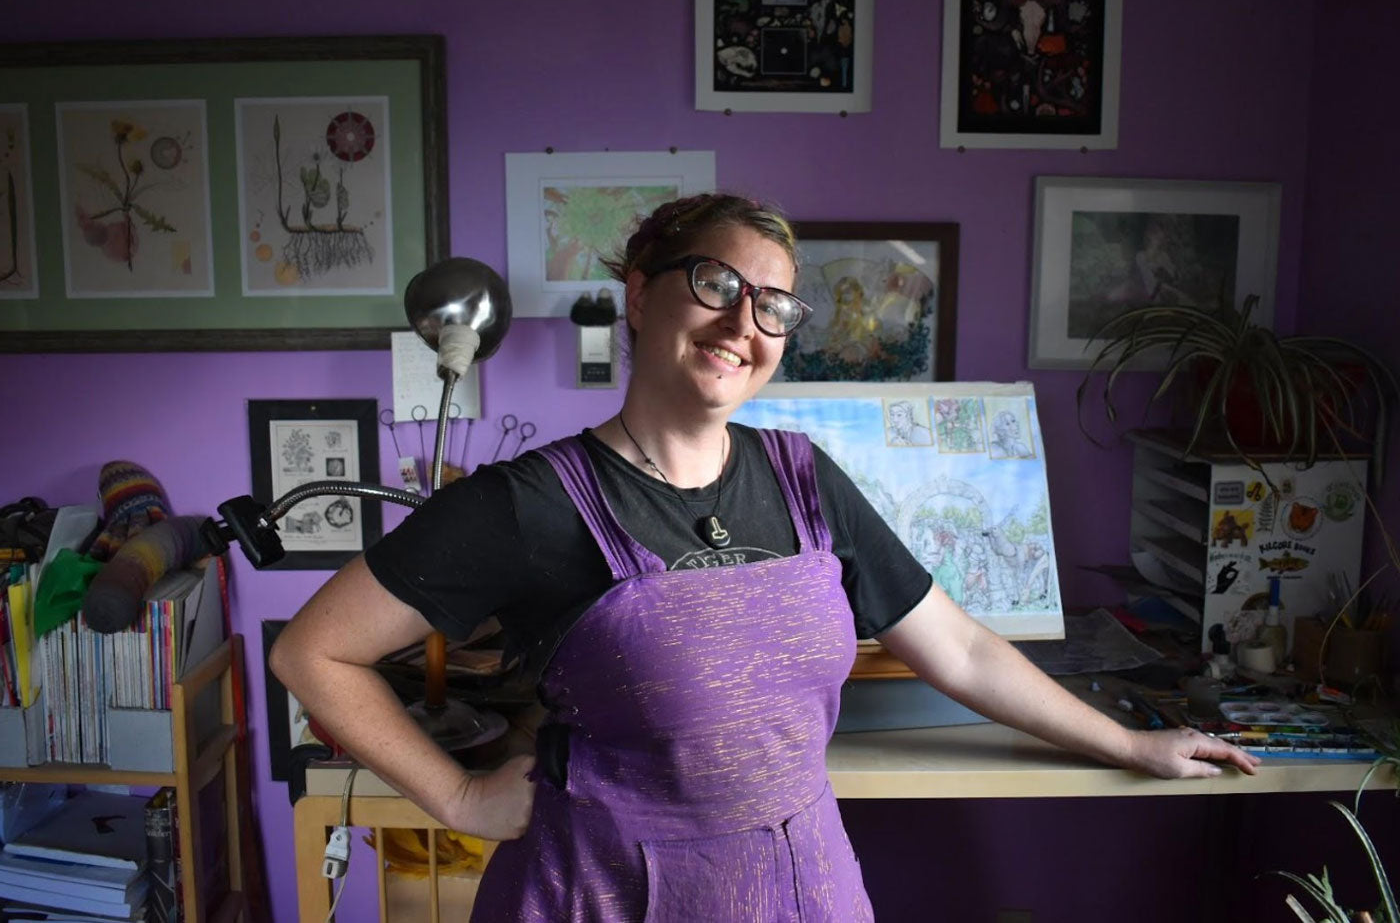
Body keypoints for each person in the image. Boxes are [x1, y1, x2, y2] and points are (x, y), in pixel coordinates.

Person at [269, 193, 1259, 921]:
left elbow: (954, 649)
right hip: (603, 892)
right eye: (716, 285)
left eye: (775, 306)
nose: (744, 323)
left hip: (800, 887)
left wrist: (1130, 745)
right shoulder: (528, 504)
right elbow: (312, 652)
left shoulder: (803, 478)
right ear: (640, 295)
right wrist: (453, 796)